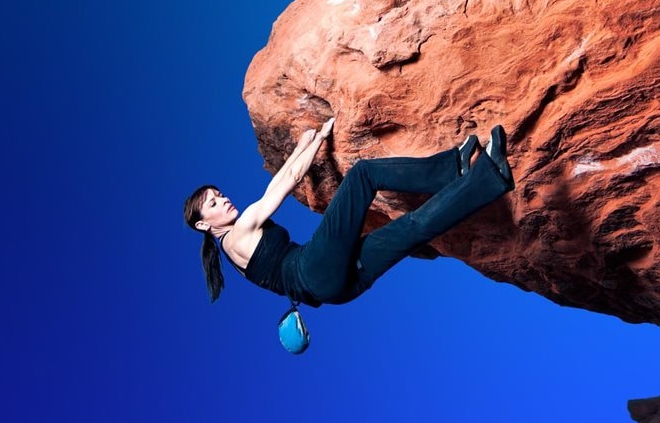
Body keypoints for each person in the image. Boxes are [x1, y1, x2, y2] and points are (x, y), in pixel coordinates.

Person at [184, 117, 514, 308]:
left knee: (411, 229)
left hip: (335, 290)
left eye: (219, 193)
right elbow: (286, 182)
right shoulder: (238, 232)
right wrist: (317, 140)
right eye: (214, 203)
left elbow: (283, 180)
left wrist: (302, 145)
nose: (223, 200)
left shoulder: (231, 256)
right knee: (363, 175)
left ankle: (490, 177)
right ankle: (450, 167)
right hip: (313, 268)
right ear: (203, 224)